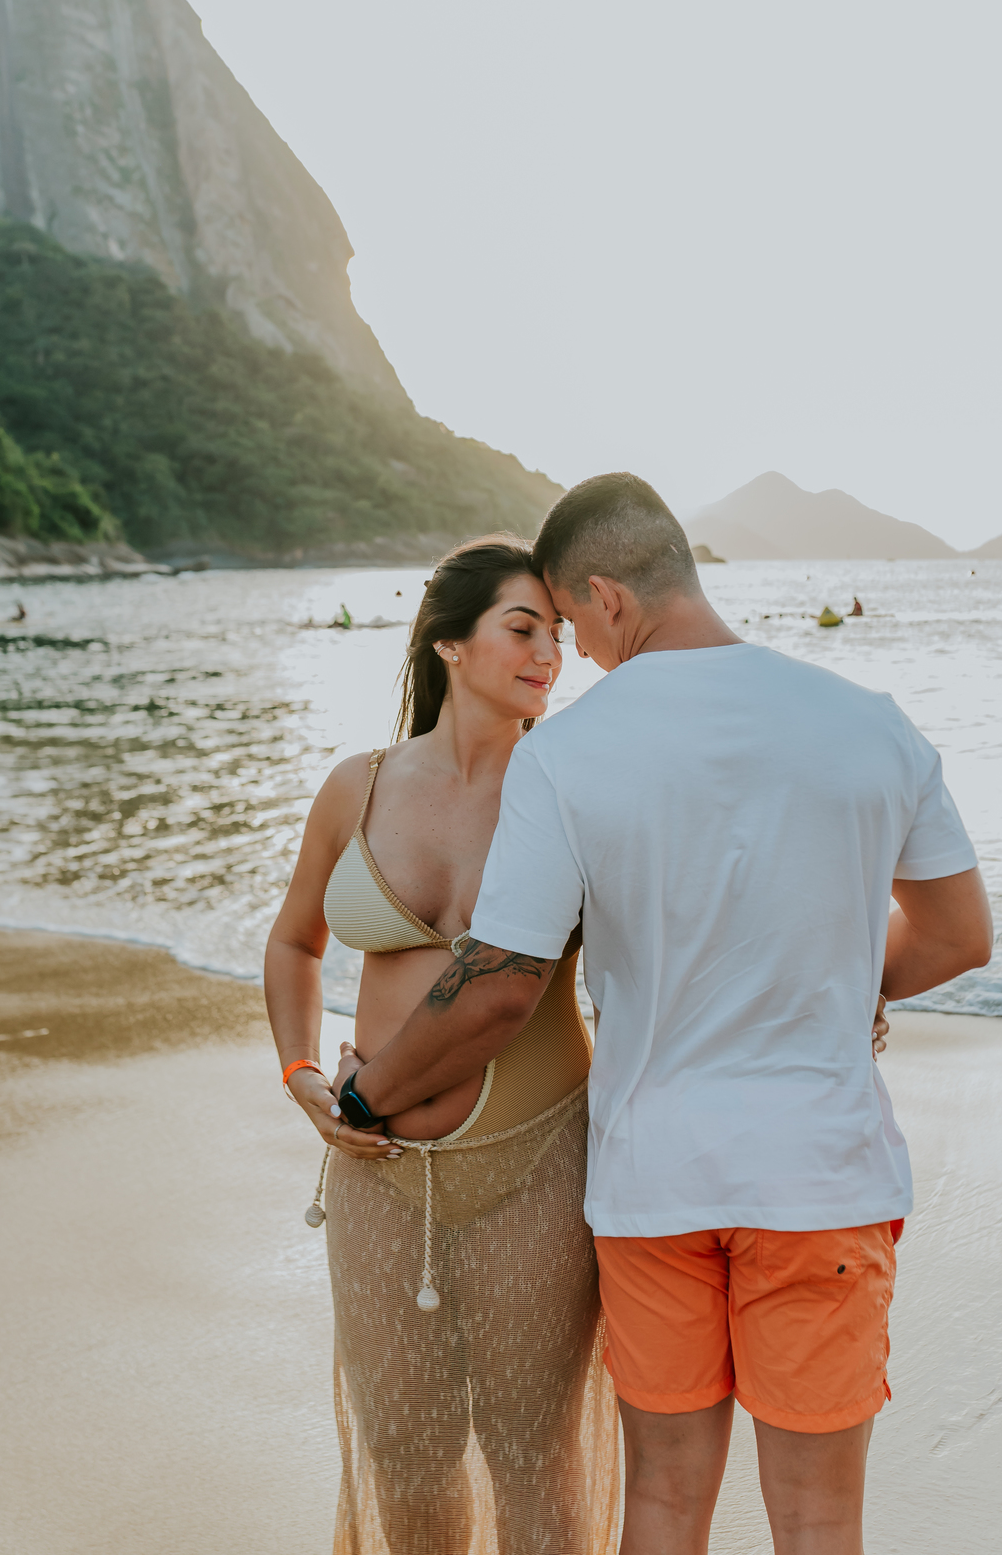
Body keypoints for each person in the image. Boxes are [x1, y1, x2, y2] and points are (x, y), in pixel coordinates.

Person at [343, 475, 992, 1555]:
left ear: (606, 594)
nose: (578, 656)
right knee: (822, 1520)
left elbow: (501, 980)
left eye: (572, 622)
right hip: (819, 1179)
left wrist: (369, 1090)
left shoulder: (567, 752)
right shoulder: (869, 724)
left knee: (661, 1504)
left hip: (655, 1187)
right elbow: (958, 934)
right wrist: (832, 987)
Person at [264, 537, 618, 1555]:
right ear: (449, 643)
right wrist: (298, 1070)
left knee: (533, 1462)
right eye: (523, 628)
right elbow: (295, 939)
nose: (550, 652)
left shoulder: (572, 794)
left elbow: (668, 940)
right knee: (408, 1460)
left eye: (558, 634)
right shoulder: (357, 787)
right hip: (375, 1179)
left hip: (538, 1166)